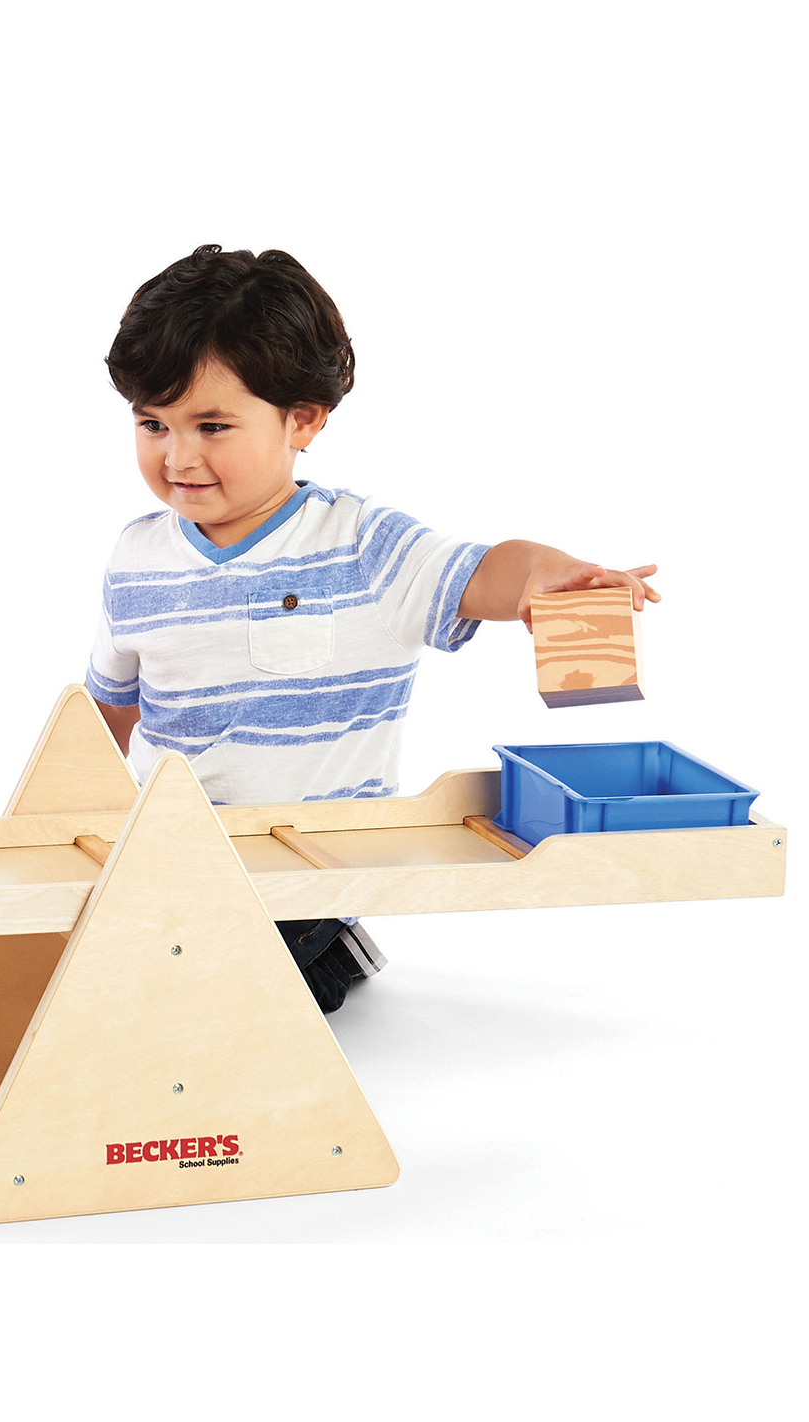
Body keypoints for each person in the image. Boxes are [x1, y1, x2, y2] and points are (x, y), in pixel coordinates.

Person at [86, 246, 659, 1013]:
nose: (178, 455)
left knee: (177, 1003)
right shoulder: (135, 558)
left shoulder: (365, 547)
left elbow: (484, 568)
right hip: (176, 866)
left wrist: (545, 577)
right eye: (153, 424)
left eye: (212, 425)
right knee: (75, 972)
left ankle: (278, 973)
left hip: (308, 880)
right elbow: (111, 714)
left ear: (303, 419)